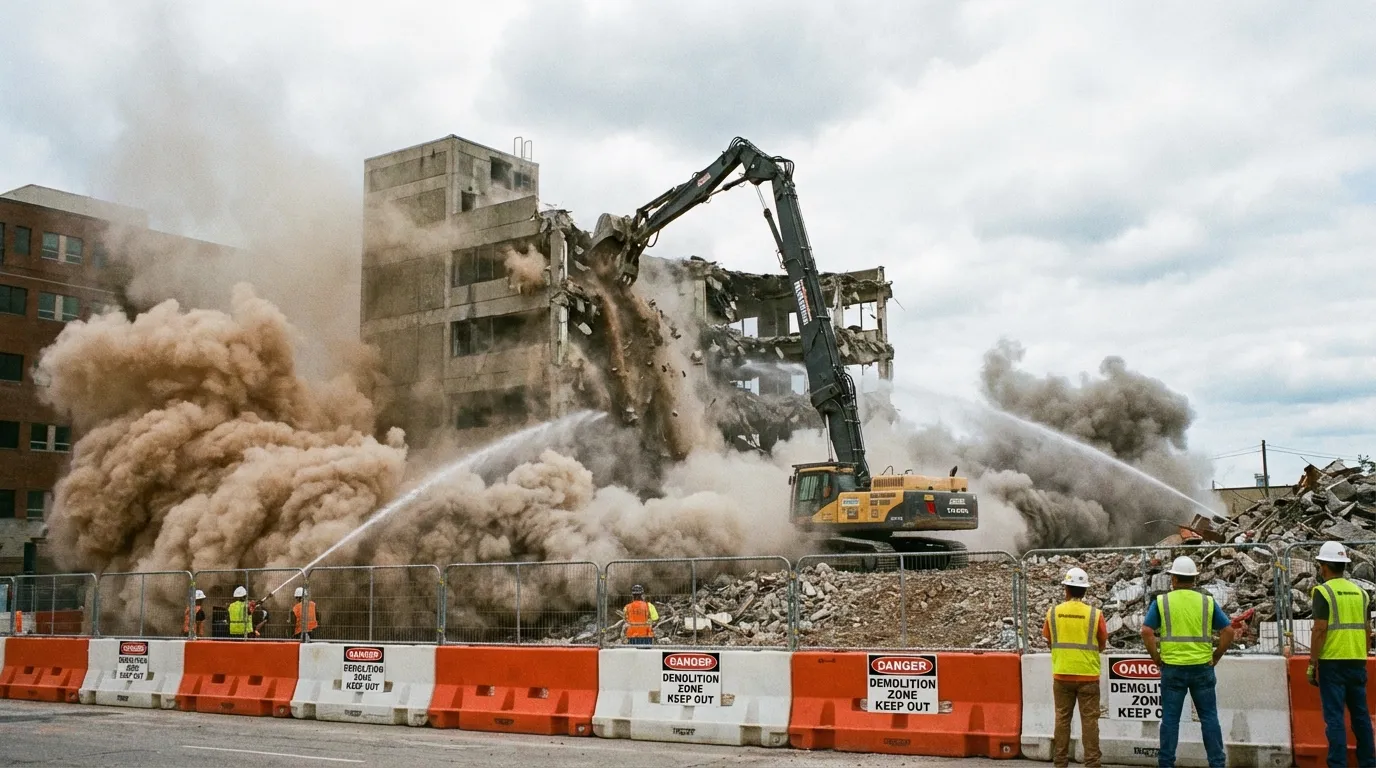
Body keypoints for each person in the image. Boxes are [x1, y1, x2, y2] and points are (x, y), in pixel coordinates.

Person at [1141, 555, 1234, 768]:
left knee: (1170, 720)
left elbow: (1146, 630)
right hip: (1202, 668)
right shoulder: (1207, 602)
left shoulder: (1162, 602)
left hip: (1172, 669)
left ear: (1173, 579)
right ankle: (1217, 763)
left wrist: (1156, 657)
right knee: (1209, 717)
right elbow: (1228, 631)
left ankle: (1166, 764)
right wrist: (1216, 655)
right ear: (1194, 580)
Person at [1308, 540, 1375, 768]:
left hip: (1332, 664)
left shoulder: (1323, 592)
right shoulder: (1361, 593)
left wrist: (1312, 663)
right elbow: (1367, 631)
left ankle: (1337, 764)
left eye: (1320, 565)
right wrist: (1362, 655)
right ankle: (1368, 762)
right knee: (1361, 716)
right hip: (1357, 662)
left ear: (1325, 566)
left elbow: (1319, 630)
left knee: (1335, 718)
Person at [1042, 567, 1107, 768]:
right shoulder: (1095, 614)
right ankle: (1092, 763)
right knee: (1089, 722)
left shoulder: (1053, 612)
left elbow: (1048, 639)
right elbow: (1102, 643)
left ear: (1066, 590)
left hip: (1062, 675)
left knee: (1062, 719)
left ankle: (1060, 762)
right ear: (1085, 590)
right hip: (1088, 675)